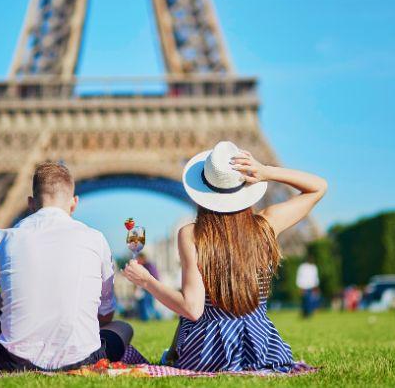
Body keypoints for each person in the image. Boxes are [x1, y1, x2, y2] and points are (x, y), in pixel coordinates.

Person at [123, 141, 327, 372]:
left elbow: (192, 309)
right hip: (261, 347)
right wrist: (266, 172)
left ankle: (173, 355)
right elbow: (318, 186)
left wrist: (146, 281)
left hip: (208, 352)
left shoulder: (191, 234)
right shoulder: (266, 224)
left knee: (192, 305)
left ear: (201, 189)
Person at [0, 162, 133, 372]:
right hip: (84, 362)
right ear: (74, 203)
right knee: (123, 327)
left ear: (31, 203)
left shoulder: (6, 238)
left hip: (13, 362)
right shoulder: (96, 239)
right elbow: (106, 312)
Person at [135, 253, 161, 321]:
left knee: (148, 304)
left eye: (138, 259)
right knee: (147, 304)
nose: (137, 261)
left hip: (150, 288)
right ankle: (148, 318)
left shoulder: (148, 266)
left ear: (142, 258)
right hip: (147, 288)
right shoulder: (146, 266)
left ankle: (156, 317)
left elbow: (154, 277)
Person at [296, 254, 320, 318]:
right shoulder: (302, 267)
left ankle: (309, 314)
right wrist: (300, 287)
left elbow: (315, 278)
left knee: (311, 301)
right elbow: (299, 277)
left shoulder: (314, 267)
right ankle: (305, 314)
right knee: (305, 301)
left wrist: (316, 287)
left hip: (312, 287)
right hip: (304, 287)